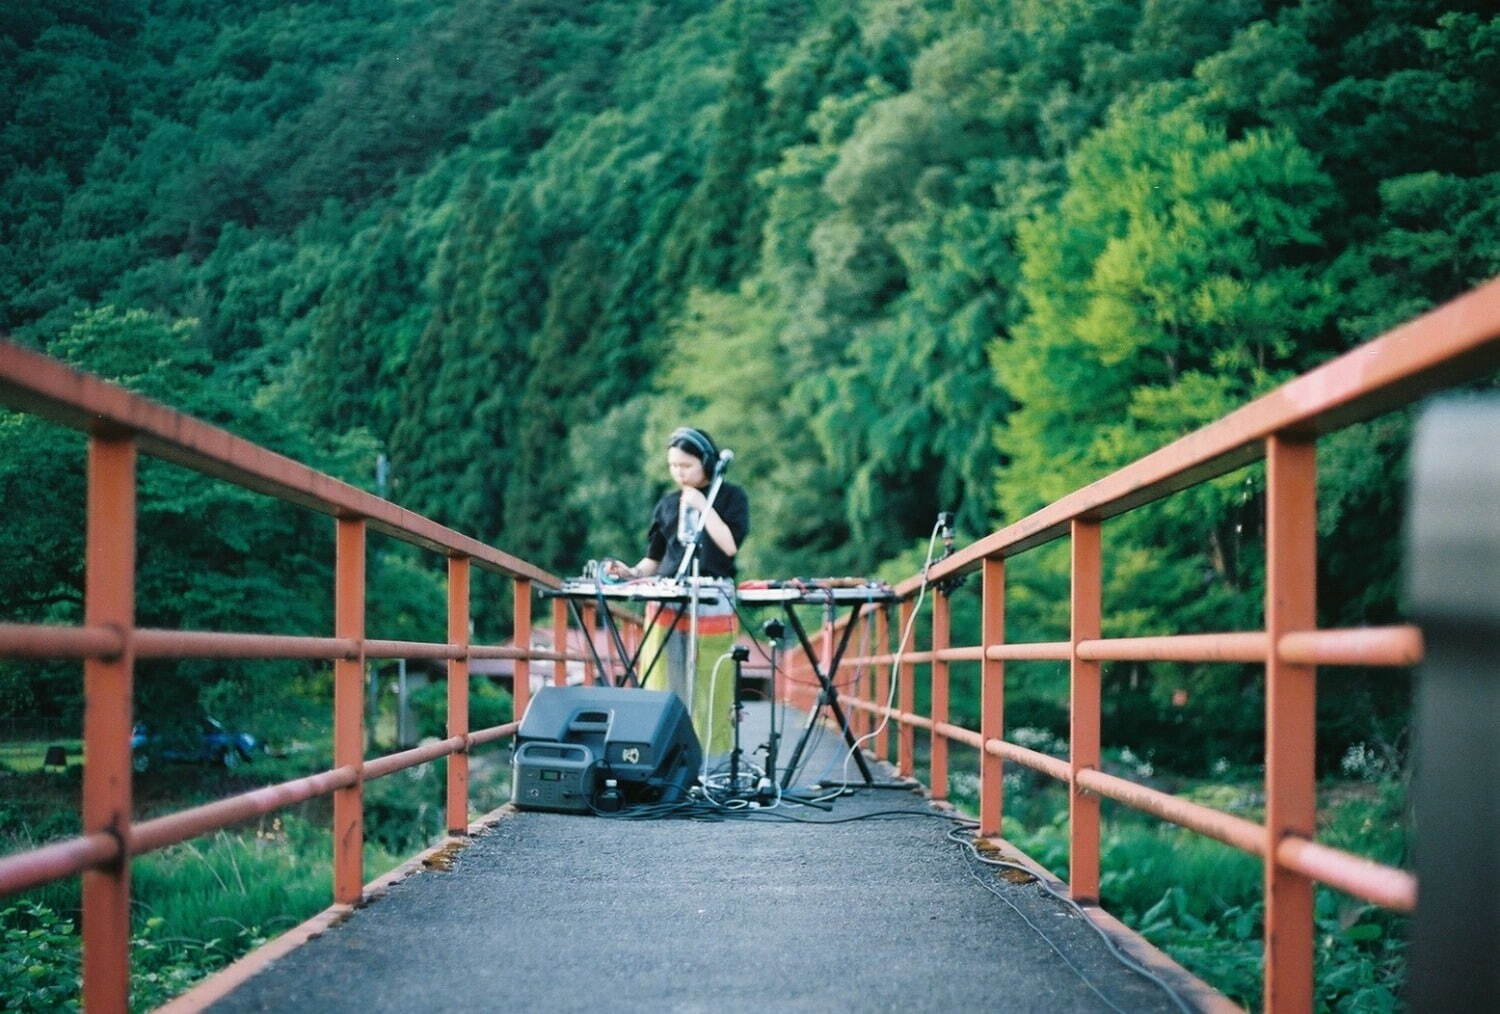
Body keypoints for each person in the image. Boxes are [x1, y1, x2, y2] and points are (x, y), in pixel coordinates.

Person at [604, 427, 749, 757]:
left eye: (686, 465)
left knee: (712, 684)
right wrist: (630, 572)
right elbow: (654, 559)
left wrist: (702, 505)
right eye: (673, 466)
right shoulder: (667, 504)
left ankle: (712, 763)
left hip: (712, 601)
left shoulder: (730, 497)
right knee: (663, 680)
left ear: (707, 462)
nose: (679, 473)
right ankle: (661, 759)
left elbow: (729, 546)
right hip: (667, 599)